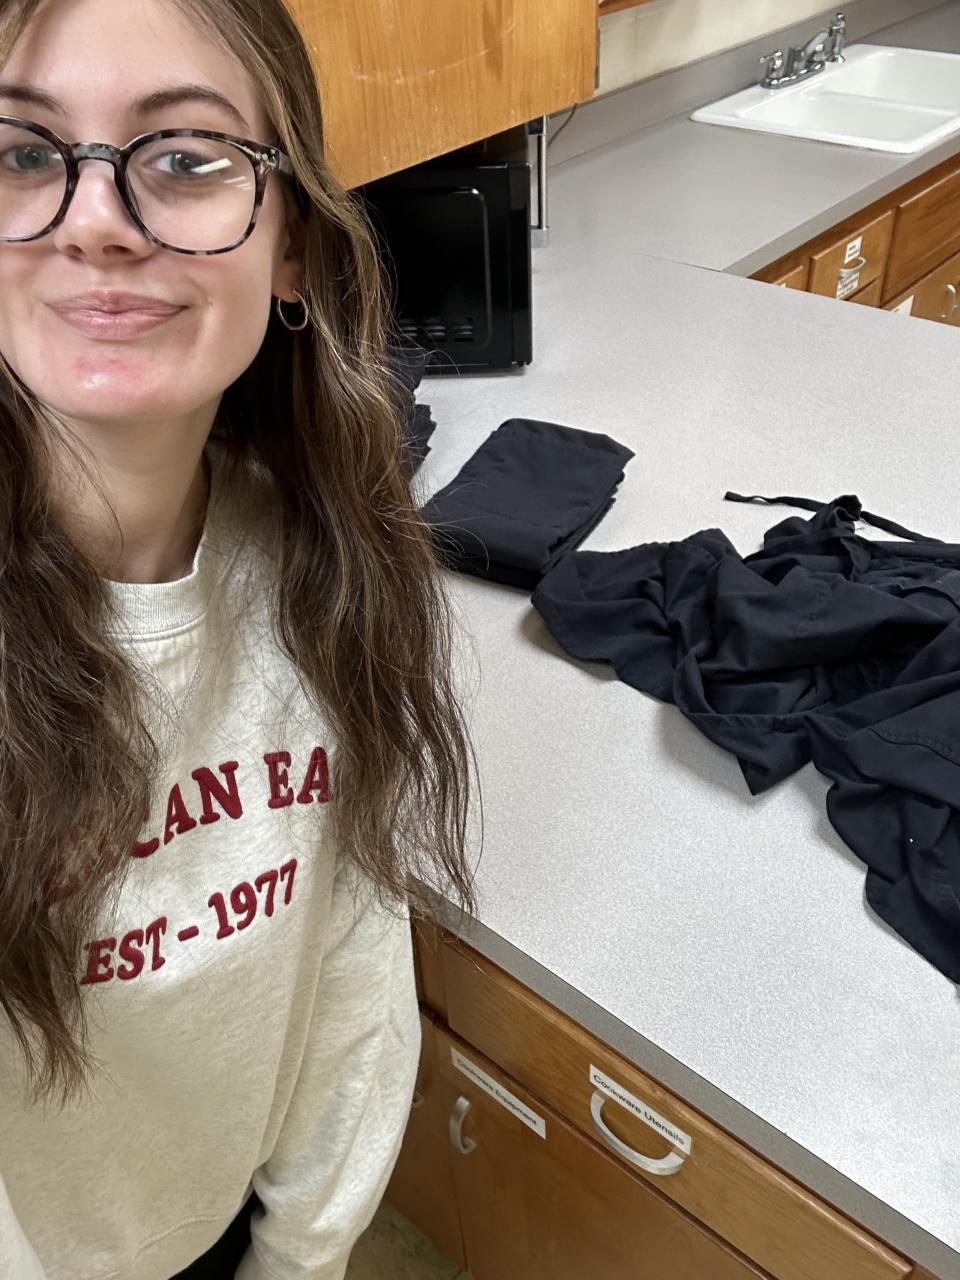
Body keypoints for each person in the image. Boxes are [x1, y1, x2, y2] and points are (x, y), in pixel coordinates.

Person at [0, 0, 480, 1277]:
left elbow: (347, 967)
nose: (95, 220)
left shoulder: (328, 564)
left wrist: (301, 1256)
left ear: (292, 248)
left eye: (186, 157)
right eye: (23, 152)